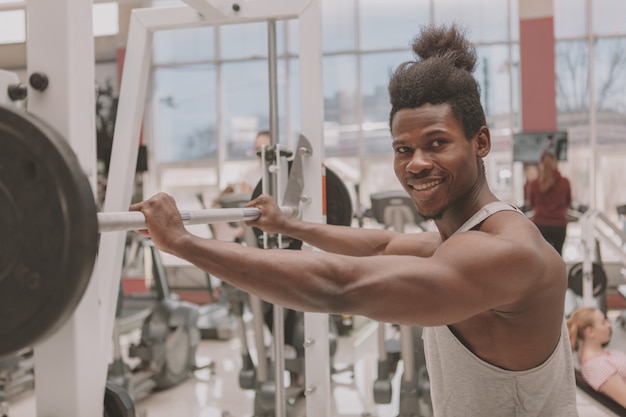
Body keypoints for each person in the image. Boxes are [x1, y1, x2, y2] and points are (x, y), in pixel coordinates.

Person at [131, 24, 578, 416]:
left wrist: (184, 243)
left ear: (480, 142)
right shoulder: (467, 238)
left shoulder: (506, 252)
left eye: (437, 143)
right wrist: (289, 225)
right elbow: (382, 245)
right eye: (403, 149)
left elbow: (341, 287)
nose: (416, 163)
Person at [567, 307, 626, 408]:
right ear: (590, 332)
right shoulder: (597, 367)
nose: (608, 325)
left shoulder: (598, 354)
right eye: (603, 322)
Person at [527, 151, 572, 255]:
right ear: (555, 164)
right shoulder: (565, 182)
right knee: (558, 255)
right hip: (559, 224)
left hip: (540, 224)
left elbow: (532, 204)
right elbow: (568, 202)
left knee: (542, 256)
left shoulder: (534, 184)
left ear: (541, 164)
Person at [240, 130, 271, 194]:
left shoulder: (283, 173)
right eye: (258, 148)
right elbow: (247, 200)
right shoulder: (249, 175)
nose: (261, 152)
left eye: (265, 148)